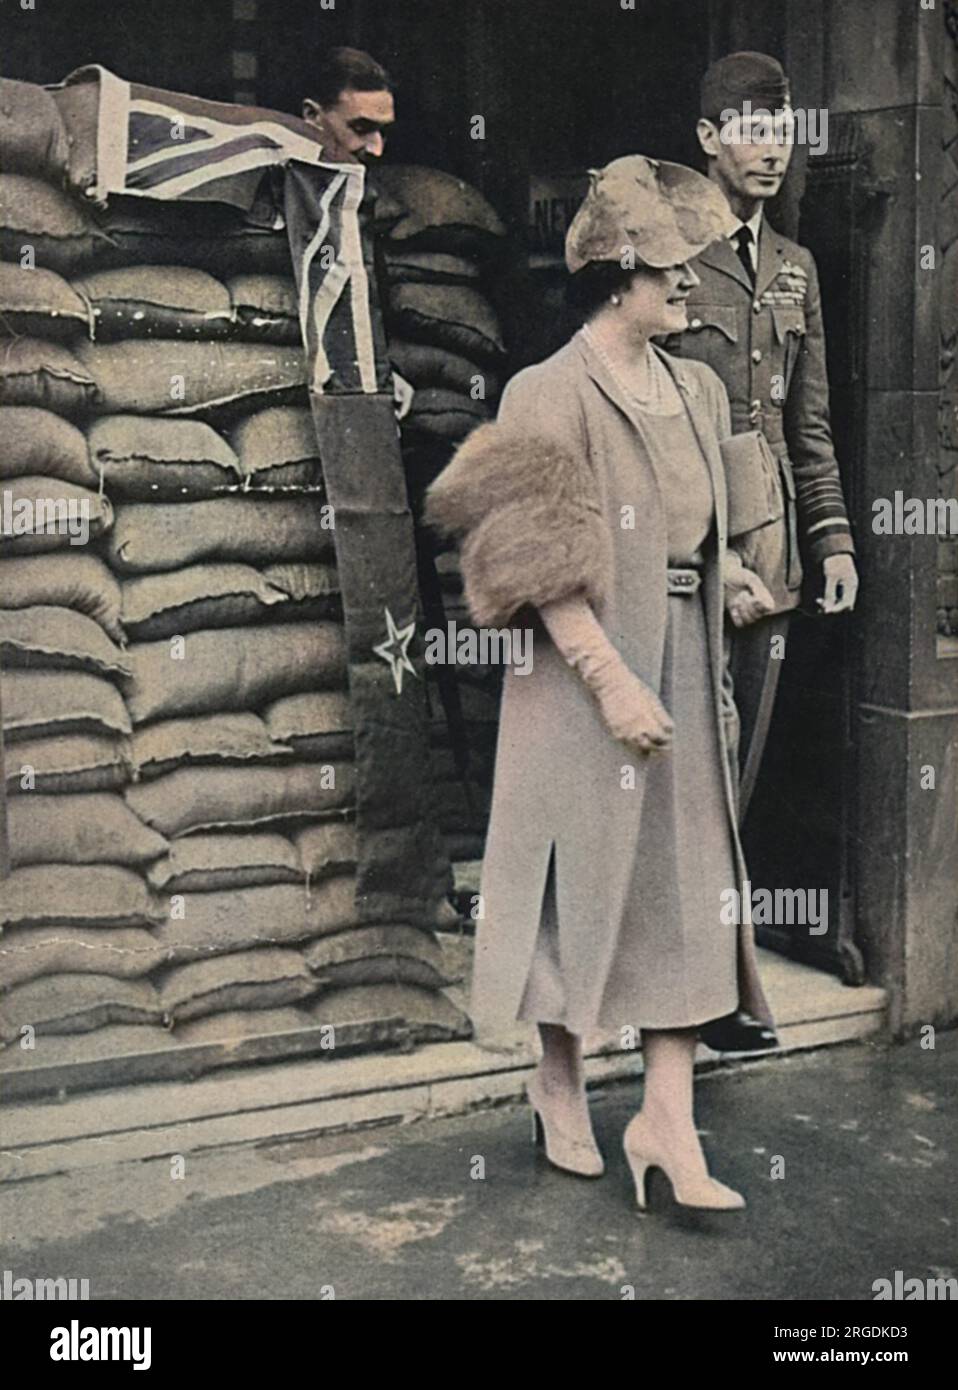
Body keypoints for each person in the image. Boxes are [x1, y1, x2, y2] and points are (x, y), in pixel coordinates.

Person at [426, 156, 775, 1212]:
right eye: (671, 276)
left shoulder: (696, 385)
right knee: (570, 882)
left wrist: (734, 575)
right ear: (616, 280)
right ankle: (558, 1076)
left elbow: (708, 518)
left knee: (688, 880)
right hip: (579, 669)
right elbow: (533, 569)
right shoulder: (547, 391)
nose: (690, 291)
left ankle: (666, 1118)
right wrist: (612, 681)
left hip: (678, 646)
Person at [664, 51, 859, 1056]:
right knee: (683, 770)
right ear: (706, 138)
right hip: (680, 560)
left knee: (733, 777)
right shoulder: (662, 258)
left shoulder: (795, 268)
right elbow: (645, 421)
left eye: (780, 128)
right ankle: (697, 987)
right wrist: (692, 547)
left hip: (772, 552)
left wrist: (830, 537)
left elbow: (809, 424)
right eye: (748, 125)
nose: (769, 146)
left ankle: (709, 986)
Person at [302, 46, 413, 420]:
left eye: (382, 131)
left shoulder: (361, 205)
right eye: (361, 128)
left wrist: (382, 372)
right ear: (312, 117)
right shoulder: (275, 197)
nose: (377, 148)